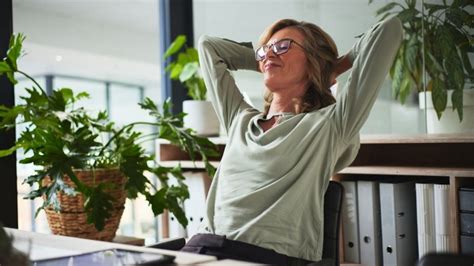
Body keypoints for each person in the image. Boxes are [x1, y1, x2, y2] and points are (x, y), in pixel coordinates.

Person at [180, 16, 403, 265]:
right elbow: (208, 46)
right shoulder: (239, 119)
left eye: (283, 46)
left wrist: (333, 67)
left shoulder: (329, 124)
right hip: (201, 248)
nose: (269, 54)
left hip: (264, 257)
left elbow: (389, 30)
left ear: (313, 62)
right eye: (266, 49)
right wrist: (266, 61)